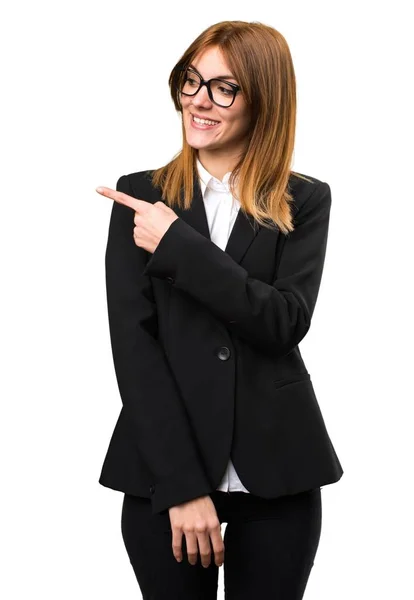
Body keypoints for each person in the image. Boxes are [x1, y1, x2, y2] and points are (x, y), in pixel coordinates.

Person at [96, 19, 344, 599]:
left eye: (224, 87)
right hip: (165, 473)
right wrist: (180, 487)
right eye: (191, 81)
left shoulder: (303, 199)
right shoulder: (142, 196)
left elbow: (282, 322)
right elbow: (135, 348)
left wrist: (179, 247)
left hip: (280, 474)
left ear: (264, 98)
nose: (199, 101)